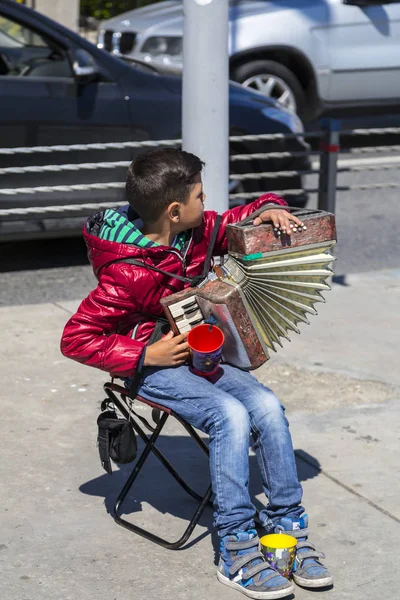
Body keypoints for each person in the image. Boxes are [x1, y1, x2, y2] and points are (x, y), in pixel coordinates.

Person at [61, 148, 333, 599]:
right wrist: (144, 356)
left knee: (264, 405)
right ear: (174, 210)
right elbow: (76, 338)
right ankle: (236, 544)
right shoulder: (125, 274)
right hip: (152, 365)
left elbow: (235, 219)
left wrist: (269, 208)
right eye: (200, 196)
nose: (206, 204)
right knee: (229, 415)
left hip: (199, 354)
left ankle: (287, 525)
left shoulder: (197, 231)